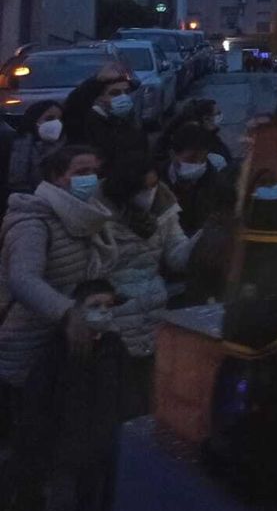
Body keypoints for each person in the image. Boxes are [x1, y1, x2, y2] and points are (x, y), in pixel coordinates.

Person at [0, 147, 116, 393]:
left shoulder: (87, 216)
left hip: (68, 344)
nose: (90, 178)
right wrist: (67, 312)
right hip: (28, 345)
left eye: (94, 171)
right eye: (81, 171)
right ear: (56, 176)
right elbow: (23, 279)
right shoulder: (33, 221)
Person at [11, 278, 125, 511]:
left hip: (99, 457)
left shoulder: (114, 347)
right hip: (62, 460)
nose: (104, 312)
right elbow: (38, 410)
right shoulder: (57, 353)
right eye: (95, 305)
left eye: (109, 305)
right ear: (77, 309)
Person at [100, 158, 195, 417]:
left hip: (153, 312)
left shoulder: (163, 207)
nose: (151, 193)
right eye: (145, 188)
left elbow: (176, 256)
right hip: (113, 315)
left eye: (154, 185)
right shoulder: (95, 214)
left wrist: (200, 241)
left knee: (147, 394)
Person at [60, 71, 148, 179]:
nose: (123, 97)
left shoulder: (129, 122)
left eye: (126, 92)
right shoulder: (87, 122)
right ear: (100, 98)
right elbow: (73, 106)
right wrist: (96, 80)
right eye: (115, 93)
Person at [162, 123, 228, 235]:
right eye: (191, 159)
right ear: (173, 155)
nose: (198, 164)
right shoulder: (156, 178)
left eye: (202, 159)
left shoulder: (216, 183)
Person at [6, 101, 65, 205]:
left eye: (60, 119)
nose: (56, 124)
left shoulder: (66, 147)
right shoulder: (14, 145)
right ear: (34, 119)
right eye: (49, 119)